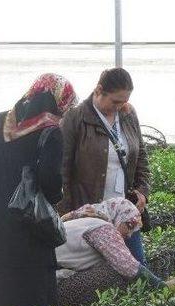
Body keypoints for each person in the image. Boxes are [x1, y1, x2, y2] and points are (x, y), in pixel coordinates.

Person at [0, 73, 77, 306]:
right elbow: (51, 185)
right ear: (57, 102)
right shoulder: (50, 131)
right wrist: (56, 196)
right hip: (26, 233)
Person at [58, 67, 150, 264]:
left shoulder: (127, 114)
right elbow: (62, 170)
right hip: (91, 215)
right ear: (99, 90)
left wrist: (142, 192)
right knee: (103, 274)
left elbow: (141, 156)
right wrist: (66, 215)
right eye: (115, 101)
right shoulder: (76, 118)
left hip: (125, 212)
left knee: (136, 266)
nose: (120, 106)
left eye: (124, 101)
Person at [56, 198, 174, 306]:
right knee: (116, 273)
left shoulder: (85, 222)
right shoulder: (102, 227)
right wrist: (162, 287)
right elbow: (128, 267)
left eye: (134, 230)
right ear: (118, 216)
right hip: (57, 289)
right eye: (130, 225)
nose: (129, 234)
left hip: (51, 286)